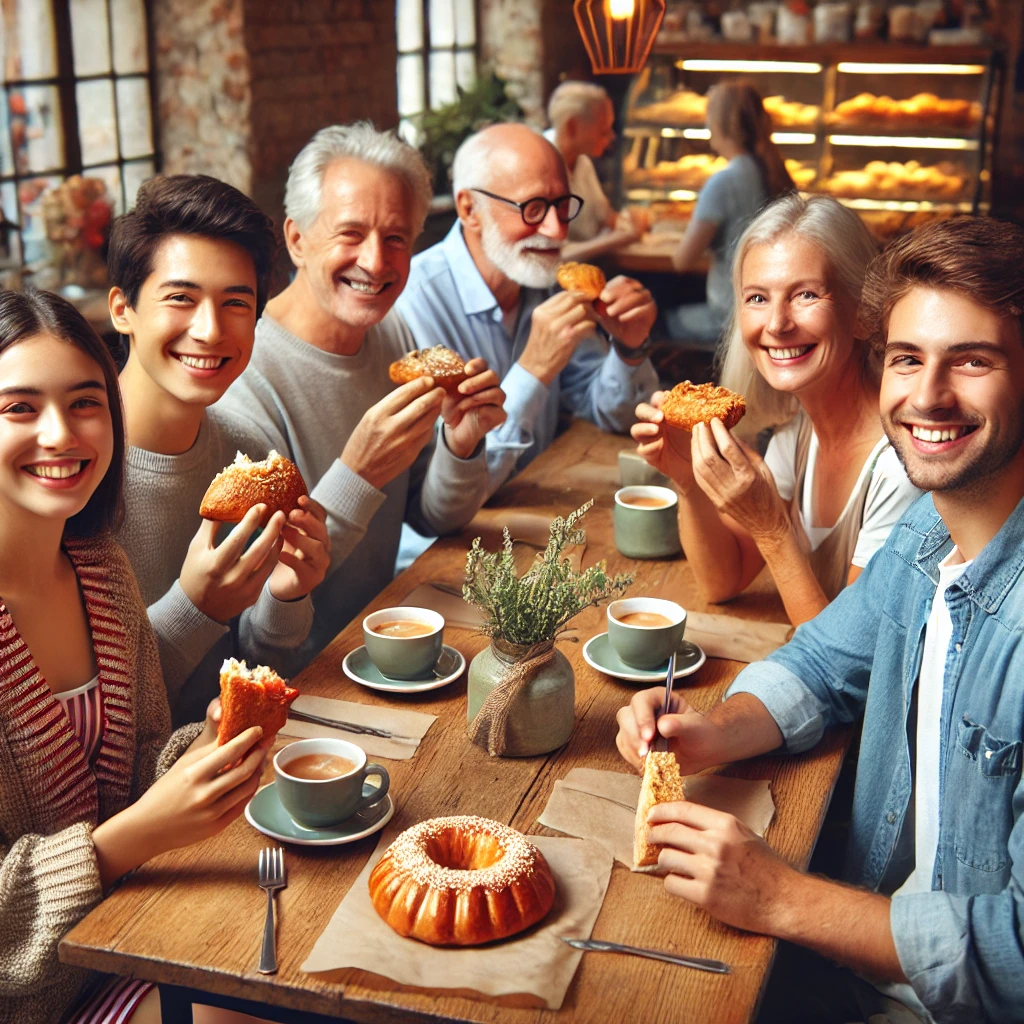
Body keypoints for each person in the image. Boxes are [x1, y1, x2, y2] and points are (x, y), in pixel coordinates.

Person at [616, 216, 1024, 1024]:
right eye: (908, 359)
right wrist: (714, 728)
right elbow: (824, 661)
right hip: (866, 945)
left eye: (972, 361)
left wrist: (783, 899)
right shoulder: (931, 528)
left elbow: (1013, 952)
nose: (928, 395)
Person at [0, 289, 274, 1024]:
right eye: (19, 409)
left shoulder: (102, 569)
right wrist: (132, 838)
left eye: (86, 403)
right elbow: (133, 824)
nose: (61, 434)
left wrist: (203, 752)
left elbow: (142, 758)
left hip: (130, 941)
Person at [218, 123, 506, 669]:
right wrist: (359, 473)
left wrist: (461, 445)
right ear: (298, 240)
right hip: (308, 677)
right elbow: (259, 629)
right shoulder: (243, 377)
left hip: (389, 642)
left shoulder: (393, 335)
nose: (375, 262)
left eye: (396, 237)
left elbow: (431, 516)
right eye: (351, 233)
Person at [633, 194, 921, 625]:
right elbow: (722, 580)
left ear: (864, 313)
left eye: (805, 294)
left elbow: (848, 666)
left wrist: (772, 528)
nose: (776, 324)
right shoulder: (797, 434)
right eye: (757, 298)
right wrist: (688, 480)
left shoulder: (902, 469)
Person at [108, 175, 331, 725]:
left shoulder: (250, 453)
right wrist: (195, 608)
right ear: (122, 310)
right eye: (181, 298)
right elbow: (92, 722)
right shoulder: (70, 474)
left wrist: (286, 595)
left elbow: (260, 668)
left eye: (236, 302)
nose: (209, 330)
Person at [396, 122, 658, 496]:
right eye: (533, 208)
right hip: (450, 545)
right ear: (470, 209)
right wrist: (534, 367)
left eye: (563, 206)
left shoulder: (544, 281)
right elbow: (450, 495)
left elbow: (607, 412)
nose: (556, 230)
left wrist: (630, 349)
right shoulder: (411, 305)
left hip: (542, 503)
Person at [663, 80, 796, 349]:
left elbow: (682, 260)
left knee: (658, 319)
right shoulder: (772, 171)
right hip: (769, 308)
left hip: (728, 316)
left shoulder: (724, 181)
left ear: (718, 124)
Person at [543, 80, 635, 244]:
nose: (612, 137)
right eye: (603, 131)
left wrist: (630, 220)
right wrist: (614, 239)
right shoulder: (539, 162)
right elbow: (554, 252)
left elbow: (605, 217)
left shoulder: (582, 162)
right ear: (572, 127)